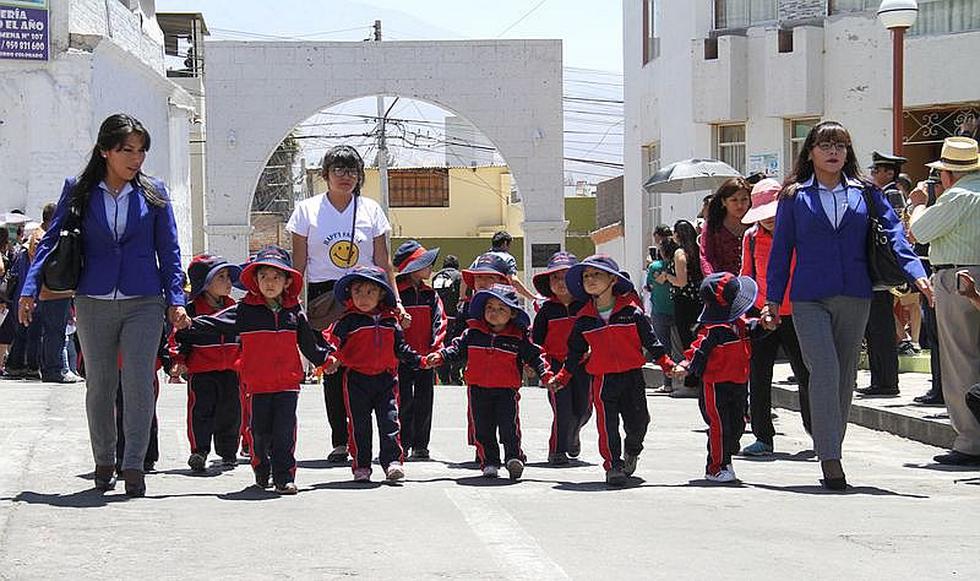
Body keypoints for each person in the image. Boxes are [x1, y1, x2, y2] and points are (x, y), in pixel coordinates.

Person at [19, 114, 189, 497]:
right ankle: (104, 460)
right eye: (126, 149)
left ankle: (134, 465)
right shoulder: (78, 188)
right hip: (93, 299)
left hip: (144, 299)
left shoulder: (154, 192)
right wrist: (29, 289)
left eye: (141, 150)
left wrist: (175, 301)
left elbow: (170, 251)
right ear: (105, 151)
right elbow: (49, 241)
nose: (136, 158)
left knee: (139, 382)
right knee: (100, 384)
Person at [764, 121, 930, 490]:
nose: (833, 151)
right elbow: (781, 252)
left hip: (856, 293)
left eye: (840, 144)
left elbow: (894, 235)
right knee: (823, 369)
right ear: (810, 152)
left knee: (845, 377)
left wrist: (916, 272)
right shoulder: (794, 196)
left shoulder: (866, 192)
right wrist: (772, 300)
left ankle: (831, 445)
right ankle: (830, 458)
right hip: (809, 296)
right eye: (824, 145)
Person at [286, 145, 408, 465]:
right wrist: (292, 303)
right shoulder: (306, 210)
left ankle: (379, 443)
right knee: (333, 365)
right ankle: (341, 440)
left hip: (366, 291)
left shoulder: (371, 210)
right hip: (325, 296)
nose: (345, 177)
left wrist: (395, 302)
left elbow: (383, 260)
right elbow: (299, 264)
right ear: (324, 175)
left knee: (369, 364)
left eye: (352, 171)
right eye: (338, 170)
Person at [178, 246, 332, 494]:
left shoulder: (294, 312)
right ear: (255, 281)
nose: (270, 283)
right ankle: (262, 471)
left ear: (287, 281)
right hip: (257, 385)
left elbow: (309, 343)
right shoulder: (245, 311)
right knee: (259, 433)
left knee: (284, 432)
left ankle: (284, 477)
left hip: (287, 385)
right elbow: (215, 323)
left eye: (276, 277)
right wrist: (188, 324)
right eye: (264, 277)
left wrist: (325, 360)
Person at [550, 255, 676, 487]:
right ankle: (613, 466)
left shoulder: (632, 312)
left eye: (597, 274)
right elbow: (575, 352)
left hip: (632, 377)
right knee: (607, 426)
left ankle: (633, 449)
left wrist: (667, 365)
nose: (590, 279)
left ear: (613, 280)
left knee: (639, 422)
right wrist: (562, 377)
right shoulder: (584, 319)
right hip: (602, 379)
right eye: (586, 276)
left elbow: (652, 342)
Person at [427, 284, 553, 480]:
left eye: (501, 308)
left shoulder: (518, 337)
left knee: (508, 426)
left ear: (512, 314)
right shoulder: (473, 333)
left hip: (506, 391)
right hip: (478, 389)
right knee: (482, 428)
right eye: (490, 308)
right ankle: (490, 462)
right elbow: (456, 349)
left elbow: (536, 357)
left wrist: (546, 375)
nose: (494, 312)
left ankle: (513, 457)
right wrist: (441, 356)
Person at [907, 136, 980, 466]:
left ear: (948, 174)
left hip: (958, 276)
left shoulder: (958, 196)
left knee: (960, 360)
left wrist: (919, 203)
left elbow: (920, 231)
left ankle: (970, 439)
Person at [323, 266, 423, 482]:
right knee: (359, 425)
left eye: (370, 292)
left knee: (389, 422)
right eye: (358, 291)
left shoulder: (390, 321)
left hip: (386, 379)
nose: (363, 297)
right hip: (356, 380)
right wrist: (330, 360)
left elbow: (401, 348)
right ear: (350, 294)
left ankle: (392, 462)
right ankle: (361, 466)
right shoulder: (347, 321)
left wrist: (420, 361)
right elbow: (333, 343)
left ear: (381, 295)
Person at [737, 178, 812, 456]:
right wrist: (745, 313)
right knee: (758, 376)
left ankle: (818, 432)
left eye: (773, 213)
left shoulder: (799, 232)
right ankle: (763, 436)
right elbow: (746, 274)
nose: (768, 219)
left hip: (797, 312)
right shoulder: (751, 237)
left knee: (806, 375)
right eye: (763, 214)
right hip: (762, 312)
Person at [674, 272, 758, 483]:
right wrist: (687, 366)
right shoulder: (712, 331)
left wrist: (764, 323)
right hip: (715, 386)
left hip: (738, 382)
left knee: (738, 425)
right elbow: (698, 351)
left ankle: (726, 457)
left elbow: (752, 328)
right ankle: (715, 467)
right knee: (719, 426)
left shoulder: (740, 324)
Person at [175, 255, 243, 473]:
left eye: (229, 277)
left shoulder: (235, 309)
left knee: (230, 412)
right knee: (200, 411)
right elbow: (179, 338)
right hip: (201, 371)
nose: (228, 282)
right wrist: (178, 360)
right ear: (205, 283)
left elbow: (245, 338)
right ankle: (199, 451)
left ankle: (228, 452)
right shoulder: (191, 311)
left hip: (231, 370)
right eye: (221, 277)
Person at [857, 151, 908, 398]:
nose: (873, 174)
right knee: (874, 329)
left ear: (889, 172)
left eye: (877, 171)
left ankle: (886, 381)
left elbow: (892, 231)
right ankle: (880, 379)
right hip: (872, 271)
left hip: (880, 268)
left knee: (881, 329)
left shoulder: (889, 194)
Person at [531, 251, 590, 465]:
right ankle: (556, 449)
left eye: (566, 276)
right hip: (555, 366)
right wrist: (534, 365)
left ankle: (573, 432)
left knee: (584, 409)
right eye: (555, 277)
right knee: (562, 408)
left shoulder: (587, 307)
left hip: (584, 364)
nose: (560, 282)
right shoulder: (546, 311)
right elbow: (535, 342)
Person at [392, 241, 446, 461]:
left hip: (426, 356)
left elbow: (439, 322)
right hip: (401, 359)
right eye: (426, 264)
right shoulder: (396, 296)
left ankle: (421, 445)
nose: (430, 267)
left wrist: (436, 349)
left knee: (425, 399)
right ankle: (403, 442)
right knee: (402, 400)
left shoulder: (430, 295)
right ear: (413, 268)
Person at [31, 202, 82, 383]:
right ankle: (52, 369)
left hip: (57, 292)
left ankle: (54, 368)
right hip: (52, 292)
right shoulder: (41, 237)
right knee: (54, 332)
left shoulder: (45, 235)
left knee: (58, 332)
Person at [662, 219, 703, 398]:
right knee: (698, 340)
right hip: (698, 301)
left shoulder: (680, 253)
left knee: (687, 343)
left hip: (684, 302)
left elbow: (681, 281)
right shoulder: (698, 250)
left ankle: (691, 381)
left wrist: (667, 277)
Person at [646, 227, 678, 393]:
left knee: (664, 349)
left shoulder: (655, 267)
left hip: (659, 310)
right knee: (680, 348)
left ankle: (668, 383)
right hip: (677, 310)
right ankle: (682, 382)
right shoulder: (678, 266)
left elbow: (650, 285)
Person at [468, 231, 541, 302]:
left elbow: (465, 278)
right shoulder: (507, 258)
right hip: (498, 299)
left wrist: (463, 297)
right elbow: (513, 280)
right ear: (505, 243)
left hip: (479, 300)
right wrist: (531, 297)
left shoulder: (480, 258)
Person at [700, 176, 752, 276]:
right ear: (724, 202)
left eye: (744, 199)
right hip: (722, 285)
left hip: (753, 286)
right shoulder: (713, 225)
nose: (740, 205)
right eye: (734, 200)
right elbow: (706, 257)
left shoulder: (755, 224)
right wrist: (713, 282)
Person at [432, 254, 463, 385]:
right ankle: (455, 375)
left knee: (441, 345)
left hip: (438, 318)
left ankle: (444, 377)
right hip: (454, 318)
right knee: (456, 345)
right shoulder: (459, 276)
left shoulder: (435, 277)